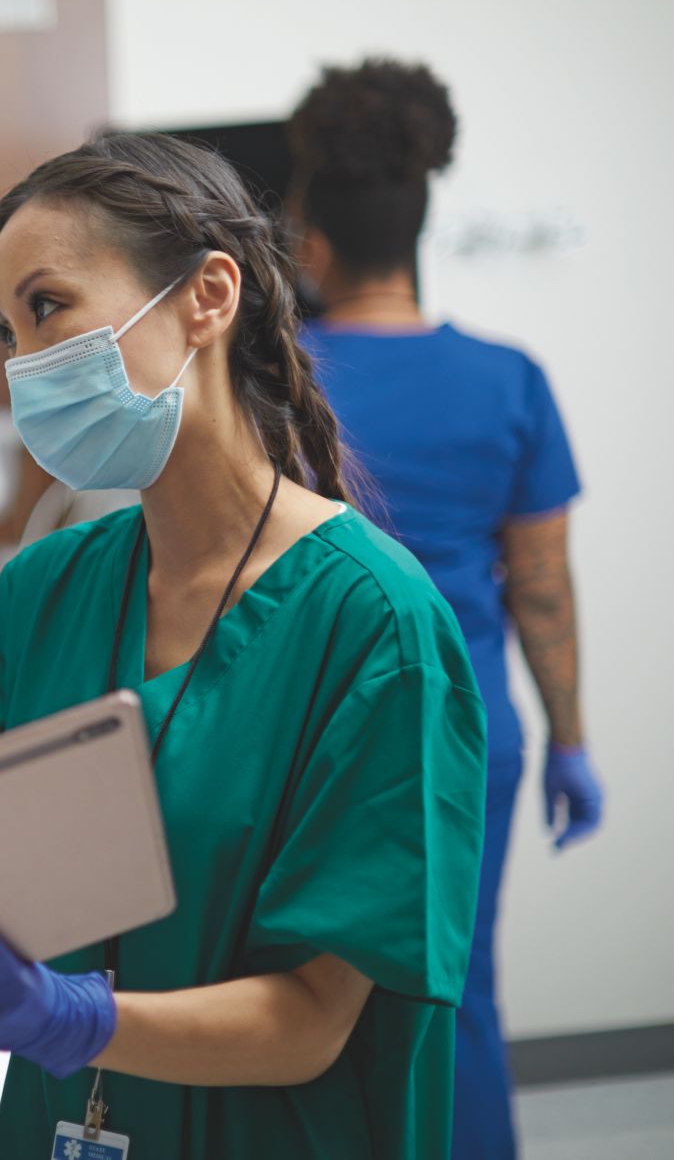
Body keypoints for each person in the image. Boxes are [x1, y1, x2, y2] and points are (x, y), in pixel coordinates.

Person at [0, 132, 487, 1157]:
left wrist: (76, 1020)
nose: (24, 364)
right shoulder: (44, 591)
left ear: (207, 297)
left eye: (48, 307)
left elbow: (312, 1022)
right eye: (6, 332)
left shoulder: (372, 623)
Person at [288, 57, 604, 1159]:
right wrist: (569, 741)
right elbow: (542, 590)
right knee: (457, 991)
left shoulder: (274, 381)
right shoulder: (509, 379)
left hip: (312, 735)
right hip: (468, 737)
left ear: (309, 243)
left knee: (304, 1000)